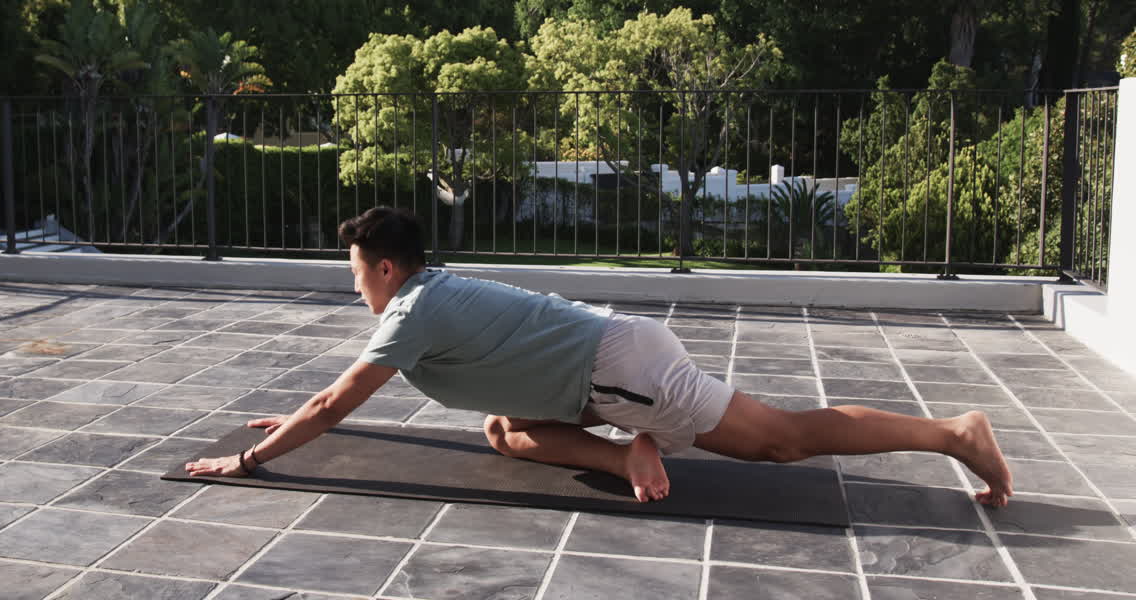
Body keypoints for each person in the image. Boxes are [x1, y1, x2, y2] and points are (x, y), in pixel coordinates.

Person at [186, 206, 1013, 507]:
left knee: (784, 440)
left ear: (387, 268)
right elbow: (330, 405)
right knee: (505, 431)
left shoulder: (410, 307)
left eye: (356, 272)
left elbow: (336, 402)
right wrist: (297, 424)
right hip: (604, 371)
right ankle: (629, 453)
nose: (355, 286)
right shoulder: (429, 293)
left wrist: (255, 458)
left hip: (623, 371)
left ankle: (954, 433)